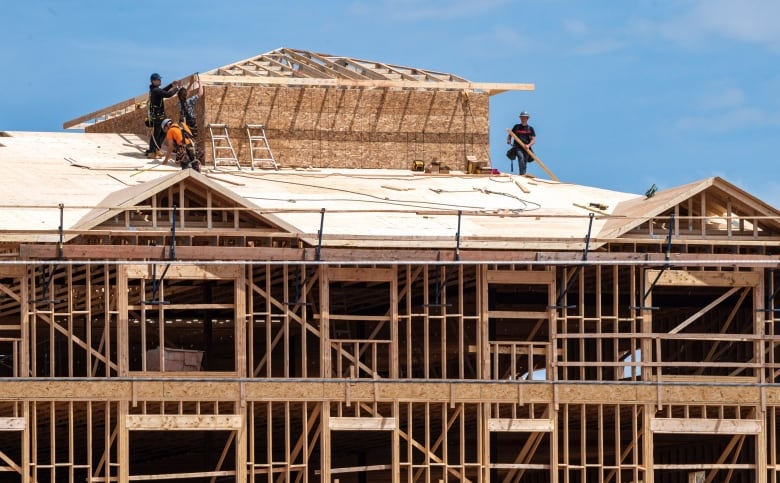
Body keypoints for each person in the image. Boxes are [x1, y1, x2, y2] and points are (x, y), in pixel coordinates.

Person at [145, 73, 180, 158]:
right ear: (153, 81)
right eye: (158, 80)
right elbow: (168, 94)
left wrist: (171, 85)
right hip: (158, 117)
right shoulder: (155, 91)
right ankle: (153, 151)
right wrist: (177, 89)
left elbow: (163, 91)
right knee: (159, 134)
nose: (160, 81)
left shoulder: (154, 90)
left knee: (160, 133)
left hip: (158, 116)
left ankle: (155, 149)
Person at [506, 110, 536, 175]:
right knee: (521, 158)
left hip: (526, 148)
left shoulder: (530, 128)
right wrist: (509, 140)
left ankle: (523, 174)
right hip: (517, 147)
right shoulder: (516, 127)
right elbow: (510, 134)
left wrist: (528, 145)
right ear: (520, 118)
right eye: (521, 117)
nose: (523, 119)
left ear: (527, 118)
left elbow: (533, 140)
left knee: (524, 161)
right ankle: (522, 174)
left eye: (524, 117)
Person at [177, 74, 204, 139]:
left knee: (187, 137)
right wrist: (200, 83)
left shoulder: (180, 103)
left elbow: (185, 93)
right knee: (193, 138)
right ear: (186, 95)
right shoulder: (189, 101)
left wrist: (191, 83)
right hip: (191, 122)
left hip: (185, 123)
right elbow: (200, 93)